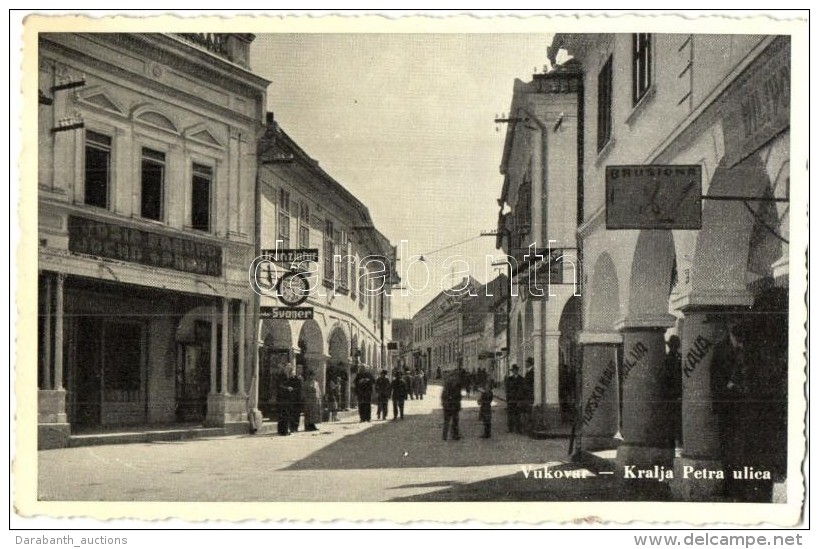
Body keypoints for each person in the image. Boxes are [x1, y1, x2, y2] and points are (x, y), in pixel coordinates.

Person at [664, 335, 683, 448]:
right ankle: (675, 443)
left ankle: (675, 443)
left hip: (673, 395)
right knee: (673, 422)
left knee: (673, 422)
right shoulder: (671, 359)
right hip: (673, 395)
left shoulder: (671, 358)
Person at [276, 368, 298, 436]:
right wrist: (287, 388)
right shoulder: (283, 378)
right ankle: (284, 431)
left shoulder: (290, 379)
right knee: (285, 415)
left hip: (287, 399)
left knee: (286, 415)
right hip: (283, 399)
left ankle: (284, 430)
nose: (293, 375)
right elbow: (280, 386)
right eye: (292, 373)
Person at [441, 372, 462, 440]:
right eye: (453, 378)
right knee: (449, 421)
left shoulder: (456, 386)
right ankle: (446, 435)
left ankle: (453, 435)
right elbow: (444, 397)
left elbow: (459, 397)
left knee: (454, 421)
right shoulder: (448, 387)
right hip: (449, 406)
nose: (454, 379)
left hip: (453, 406)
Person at [505, 364, 525, 434]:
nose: (514, 371)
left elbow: (522, 390)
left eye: (515, 370)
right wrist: (507, 398)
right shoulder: (509, 379)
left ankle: (518, 429)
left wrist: (521, 400)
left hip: (518, 399)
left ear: (517, 370)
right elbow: (507, 389)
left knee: (518, 415)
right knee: (510, 415)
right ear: (512, 371)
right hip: (511, 399)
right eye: (513, 370)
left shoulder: (521, 379)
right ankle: (510, 428)